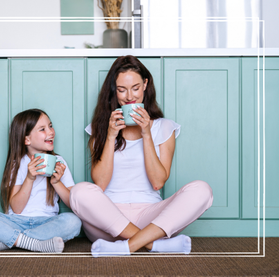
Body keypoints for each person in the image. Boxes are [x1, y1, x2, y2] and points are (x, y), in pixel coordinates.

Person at [69, 55, 213, 257]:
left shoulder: (164, 127)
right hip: (108, 219)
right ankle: (152, 244)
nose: (129, 97)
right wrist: (110, 136)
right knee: (79, 192)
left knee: (202, 190)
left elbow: (157, 182)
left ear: (145, 84)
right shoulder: (100, 128)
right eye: (121, 90)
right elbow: (99, 184)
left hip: (151, 217)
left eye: (135, 88)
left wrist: (147, 133)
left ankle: (127, 246)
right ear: (113, 90)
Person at [0, 109, 82, 253]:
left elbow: (74, 204)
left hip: (46, 222)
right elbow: (17, 208)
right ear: (27, 139)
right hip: (15, 222)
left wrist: (56, 183)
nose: (51, 132)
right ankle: (35, 244)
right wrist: (29, 177)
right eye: (42, 129)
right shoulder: (17, 164)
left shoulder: (59, 162)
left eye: (50, 126)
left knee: (74, 221)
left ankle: (11, 241)